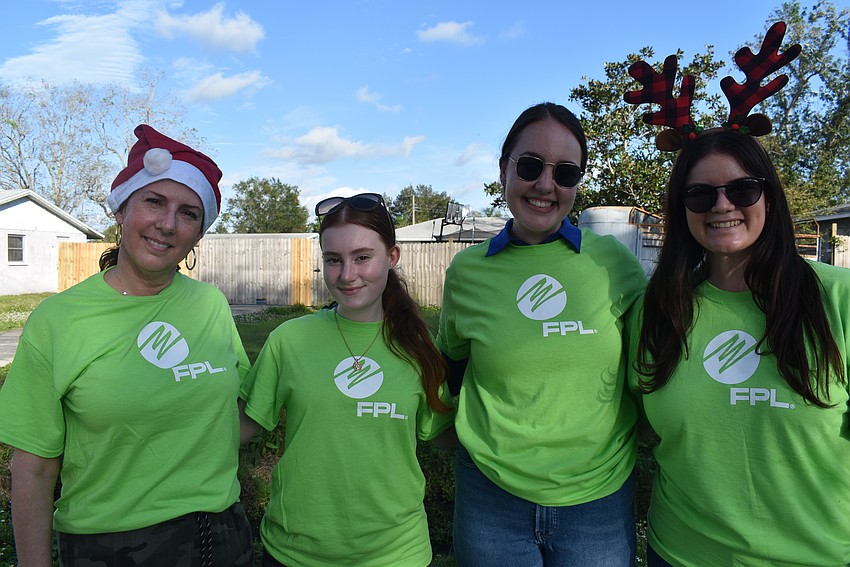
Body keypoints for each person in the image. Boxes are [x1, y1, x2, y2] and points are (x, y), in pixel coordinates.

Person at [0, 124, 253, 566]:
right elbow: (34, 468)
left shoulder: (210, 305)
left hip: (222, 537)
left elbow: (234, 417)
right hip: (112, 547)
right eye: (154, 201)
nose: (168, 224)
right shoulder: (59, 321)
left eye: (189, 213)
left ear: (199, 234)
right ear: (121, 211)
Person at [438, 102, 646, 566]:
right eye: (530, 166)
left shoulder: (614, 264)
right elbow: (450, 365)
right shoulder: (467, 273)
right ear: (503, 170)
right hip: (490, 496)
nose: (546, 185)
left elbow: (654, 366)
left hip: (599, 500)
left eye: (566, 172)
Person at [631, 129, 850, 566]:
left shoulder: (837, 300)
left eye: (742, 189)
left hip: (817, 556)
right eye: (699, 194)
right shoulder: (658, 309)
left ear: (768, 197)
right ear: (682, 208)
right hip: (679, 554)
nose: (722, 205)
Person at [239, 192, 455, 567]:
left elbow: (444, 434)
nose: (347, 275)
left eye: (362, 257)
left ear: (392, 257)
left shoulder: (419, 349)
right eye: (334, 260)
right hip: (295, 552)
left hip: (395, 554)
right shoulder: (289, 341)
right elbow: (238, 426)